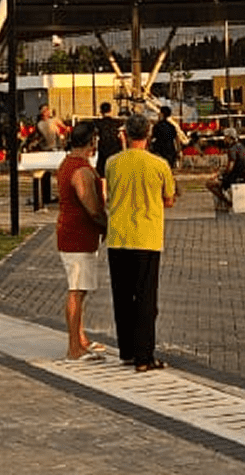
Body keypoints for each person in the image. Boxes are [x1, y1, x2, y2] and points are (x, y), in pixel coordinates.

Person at [105, 112, 177, 372]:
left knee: (122, 297)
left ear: (125, 134)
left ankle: (126, 349)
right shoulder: (159, 165)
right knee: (146, 298)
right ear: (149, 134)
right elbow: (168, 198)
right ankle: (144, 356)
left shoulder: (113, 163)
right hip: (146, 237)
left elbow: (110, 194)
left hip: (118, 237)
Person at [55, 122, 108, 361]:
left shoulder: (67, 164)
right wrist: (106, 224)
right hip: (78, 234)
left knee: (80, 289)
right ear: (91, 142)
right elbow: (92, 207)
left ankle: (81, 338)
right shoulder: (81, 171)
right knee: (76, 289)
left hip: (71, 231)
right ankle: (74, 347)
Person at [205, 129, 245, 213]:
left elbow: (230, 167)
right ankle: (225, 202)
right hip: (242, 175)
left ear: (230, 138)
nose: (224, 139)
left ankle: (227, 202)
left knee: (209, 184)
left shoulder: (232, 149)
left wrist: (221, 174)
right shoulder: (242, 146)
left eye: (226, 137)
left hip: (234, 176)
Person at [90, 102, 124, 175]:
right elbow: (122, 137)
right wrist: (124, 149)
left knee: (102, 173)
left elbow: (95, 137)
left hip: (103, 149)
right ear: (111, 110)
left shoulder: (97, 123)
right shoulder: (117, 123)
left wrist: (93, 149)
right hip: (116, 149)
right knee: (116, 172)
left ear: (101, 112)